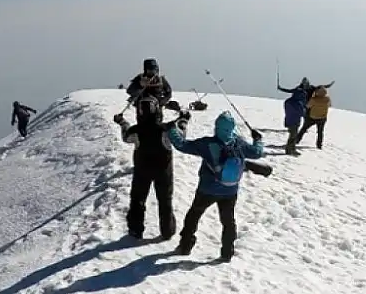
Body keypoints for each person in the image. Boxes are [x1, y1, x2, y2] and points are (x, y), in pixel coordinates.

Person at [167, 110, 265, 261]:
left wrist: (171, 130)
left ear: (216, 127)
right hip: (230, 190)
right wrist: (257, 139)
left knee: (194, 215)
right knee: (228, 221)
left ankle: (185, 245)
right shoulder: (239, 144)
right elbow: (257, 153)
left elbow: (181, 145)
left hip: (207, 189)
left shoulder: (207, 144)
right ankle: (227, 252)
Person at [113, 95, 177, 240]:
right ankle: (167, 231)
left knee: (137, 199)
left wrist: (122, 122)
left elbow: (126, 137)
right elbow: (180, 135)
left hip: (142, 170)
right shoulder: (166, 129)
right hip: (164, 171)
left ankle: (136, 230)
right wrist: (184, 119)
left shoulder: (136, 130)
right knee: (165, 200)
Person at [283, 88, 308, 156]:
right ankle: (289, 150)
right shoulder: (298, 103)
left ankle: (292, 149)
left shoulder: (288, 101)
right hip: (295, 121)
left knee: (292, 135)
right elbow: (302, 113)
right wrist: (304, 108)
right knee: (293, 136)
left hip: (288, 120)